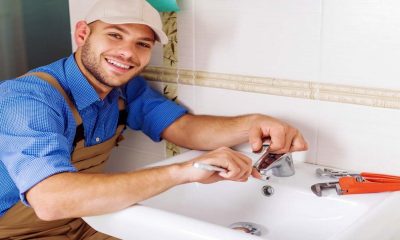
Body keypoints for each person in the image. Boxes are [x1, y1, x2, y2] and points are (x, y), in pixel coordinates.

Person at [0, 0, 308, 239]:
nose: (126, 53)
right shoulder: (28, 100)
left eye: (142, 44)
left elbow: (185, 129)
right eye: (115, 35)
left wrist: (256, 123)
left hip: (83, 223)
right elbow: (50, 200)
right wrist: (183, 171)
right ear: (83, 34)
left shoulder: (123, 89)